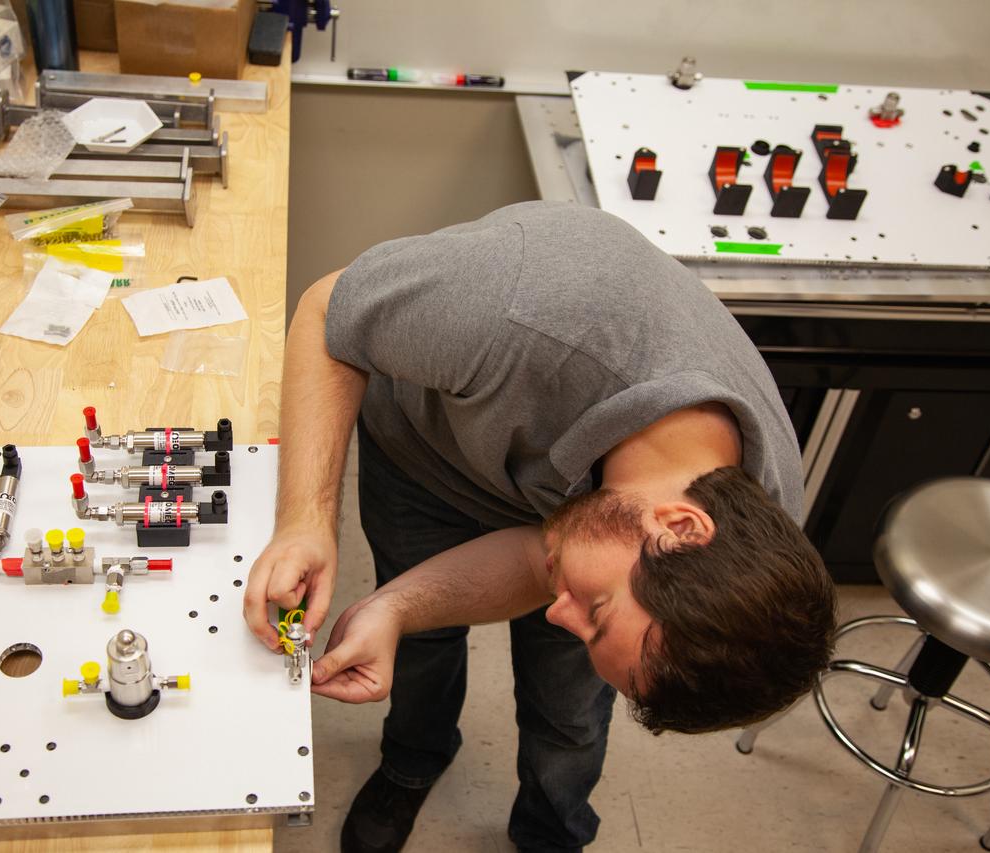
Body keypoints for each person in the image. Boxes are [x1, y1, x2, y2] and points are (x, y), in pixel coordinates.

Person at [243, 201, 837, 853]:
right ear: (679, 525)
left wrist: (392, 606)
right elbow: (330, 310)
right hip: (426, 453)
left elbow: (539, 561)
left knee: (572, 706)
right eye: (598, 610)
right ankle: (413, 759)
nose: (560, 616)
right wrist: (304, 518)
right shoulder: (523, 303)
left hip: (558, 492)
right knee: (426, 648)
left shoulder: (758, 536)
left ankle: (551, 828)